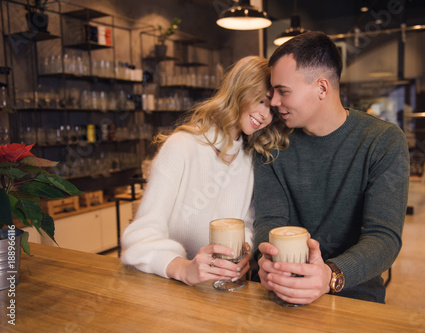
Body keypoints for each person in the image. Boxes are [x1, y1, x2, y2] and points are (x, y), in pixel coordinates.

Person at [253, 31, 410, 304]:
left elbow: (384, 238)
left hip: (352, 290)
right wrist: (268, 261)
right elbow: (269, 221)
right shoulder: (271, 142)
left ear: (322, 88)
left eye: (283, 91)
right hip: (281, 285)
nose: (274, 102)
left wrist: (330, 275)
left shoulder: (382, 141)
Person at [121, 55, 290, 286]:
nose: (265, 116)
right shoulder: (181, 146)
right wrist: (183, 268)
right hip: (169, 292)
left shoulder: (251, 159)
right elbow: (139, 236)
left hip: (224, 295)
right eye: (262, 101)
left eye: (273, 111)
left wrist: (245, 253)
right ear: (240, 89)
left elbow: (248, 224)